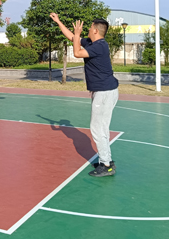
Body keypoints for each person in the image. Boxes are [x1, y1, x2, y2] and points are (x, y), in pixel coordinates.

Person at [50, 13, 119, 177]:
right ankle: (107, 160)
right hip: (104, 91)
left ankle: (106, 165)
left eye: (89, 27)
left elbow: (77, 53)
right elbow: (72, 37)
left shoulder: (100, 46)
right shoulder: (93, 43)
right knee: (102, 128)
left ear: (95, 31)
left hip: (104, 92)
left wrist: (77, 34)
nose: (87, 29)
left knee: (97, 128)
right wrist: (58, 21)